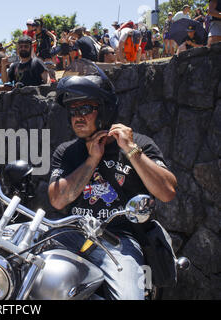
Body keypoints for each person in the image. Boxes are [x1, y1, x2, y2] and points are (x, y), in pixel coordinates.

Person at [48, 65, 177, 300]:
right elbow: (57, 200)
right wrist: (91, 160)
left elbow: (167, 192)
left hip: (118, 241)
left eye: (85, 108)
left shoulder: (139, 144)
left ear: (105, 109)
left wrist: (130, 150)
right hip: (72, 233)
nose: (78, 116)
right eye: (72, 110)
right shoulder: (66, 152)